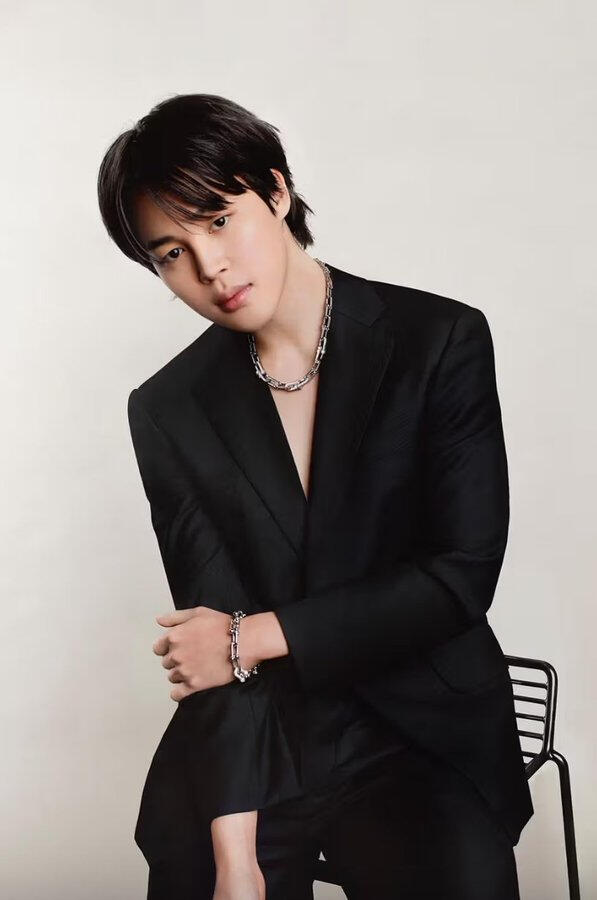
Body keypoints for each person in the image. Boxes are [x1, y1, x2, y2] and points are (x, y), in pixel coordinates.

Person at [97, 93, 533, 899]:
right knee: (199, 872)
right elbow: (211, 641)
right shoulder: (167, 408)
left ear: (275, 190)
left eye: (218, 219)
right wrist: (236, 855)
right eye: (171, 253)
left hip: (418, 729)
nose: (209, 267)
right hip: (266, 732)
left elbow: (458, 576)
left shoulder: (437, 340)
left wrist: (254, 636)